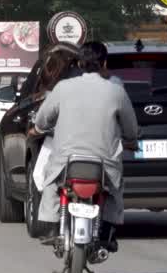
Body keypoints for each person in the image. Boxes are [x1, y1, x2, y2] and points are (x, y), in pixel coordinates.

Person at [30, 41, 139, 250]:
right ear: (104, 63)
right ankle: (107, 233)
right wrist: (131, 142)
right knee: (114, 191)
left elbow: (43, 120)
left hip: (65, 161)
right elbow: (130, 127)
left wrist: (37, 129)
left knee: (51, 184)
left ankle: (52, 228)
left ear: (80, 63)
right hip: (105, 162)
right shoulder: (116, 90)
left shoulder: (62, 88)